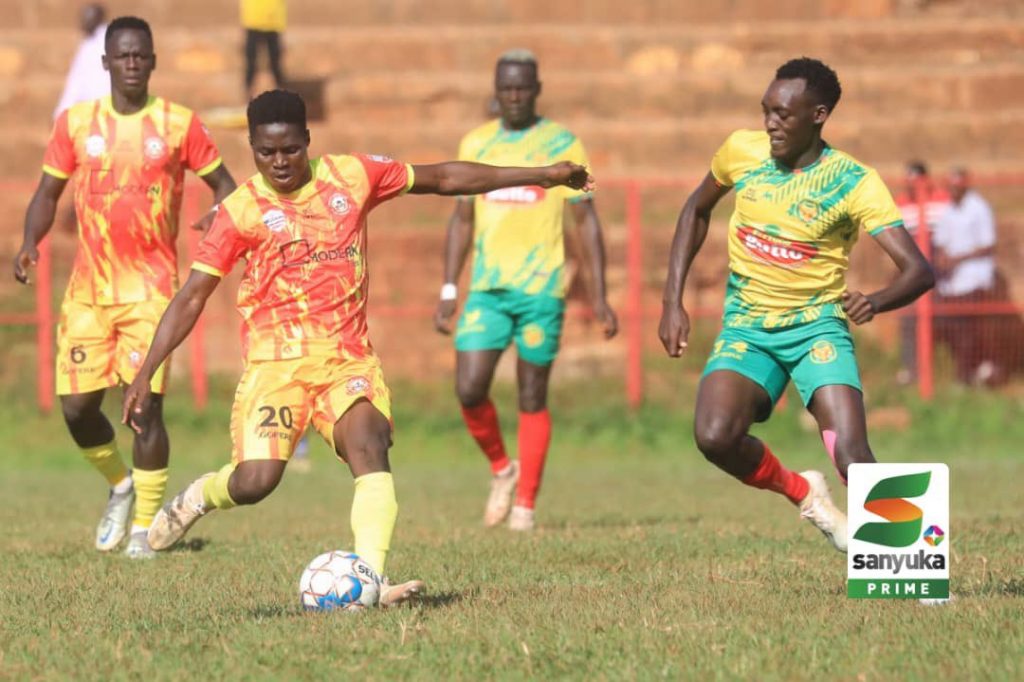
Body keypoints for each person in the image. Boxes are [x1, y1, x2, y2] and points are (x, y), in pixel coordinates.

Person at [120, 89, 594, 605]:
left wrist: (542, 175)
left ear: (307, 140)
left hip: (347, 360)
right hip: (276, 367)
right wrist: (147, 371)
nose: (279, 162)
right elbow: (192, 296)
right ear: (252, 148)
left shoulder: (352, 176)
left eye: (290, 149)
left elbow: (443, 178)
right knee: (255, 482)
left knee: (370, 443)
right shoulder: (240, 212)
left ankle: (369, 579)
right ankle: (199, 496)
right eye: (266, 152)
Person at [658, 58, 934, 553]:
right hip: (747, 328)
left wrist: (875, 300)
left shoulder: (853, 181)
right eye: (766, 111)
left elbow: (918, 271)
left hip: (817, 329)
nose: (770, 123)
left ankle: (907, 565)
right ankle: (804, 493)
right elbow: (695, 210)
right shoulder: (741, 151)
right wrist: (671, 300)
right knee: (715, 437)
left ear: (818, 115)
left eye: (783, 114)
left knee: (852, 455)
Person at [14, 16, 237, 559]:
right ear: (106, 63)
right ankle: (120, 485)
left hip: (151, 292)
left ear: (152, 61)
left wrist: (220, 213)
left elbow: (225, 185)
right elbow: (47, 193)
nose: (132, 63)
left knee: (143, 411)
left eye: (141, 55)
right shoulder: (75, 123)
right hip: (88, 292)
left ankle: (144, 530)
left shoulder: (179, 123)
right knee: (76, 407)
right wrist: (29, 241)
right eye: (123, 55)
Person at [433, 49, 617, 532]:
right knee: (469, 387)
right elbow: (461, 220)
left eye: (522, 87)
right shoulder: (477, 141)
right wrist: (449, 287)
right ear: (496, 90)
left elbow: (586, 221)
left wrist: (600, 295)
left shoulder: (562, 143)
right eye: (506, 88)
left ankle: (525, 507)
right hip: (488, 290)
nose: (513, 95)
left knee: (532, 394)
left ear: (537, 90)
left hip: (542, 291)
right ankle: (502, 468)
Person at [932, 167, 998, 385]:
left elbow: (988, 245)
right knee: (953, 327)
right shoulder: (948, 210)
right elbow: (940, 242)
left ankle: (972, 371)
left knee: (970, 328)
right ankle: (963, 370)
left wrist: (957, 259)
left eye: (957, 186)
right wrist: (943, 258)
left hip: (974, 278)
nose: (953, 190)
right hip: (952, 283)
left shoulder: (979, 208)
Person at [893, 161, 950, 385]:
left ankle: (952, 371)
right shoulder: (900, 204)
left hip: (944, 276)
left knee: (953, 321)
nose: (912, 185)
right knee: (909, 320)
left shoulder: (943, 201)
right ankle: (911, 370)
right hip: (914, 273)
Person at [54, 3, 109, 119]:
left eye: (89, 17)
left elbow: (75, 82)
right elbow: (75, 83)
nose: (85, 21)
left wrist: (59, 114)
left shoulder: (104, 43)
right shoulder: (88, 44)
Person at [241, 0, 286, 100]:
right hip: (253, 22)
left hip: (273, 23)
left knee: (275, 63)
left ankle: (282, 95)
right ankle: (248, 94)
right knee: (251, 63)